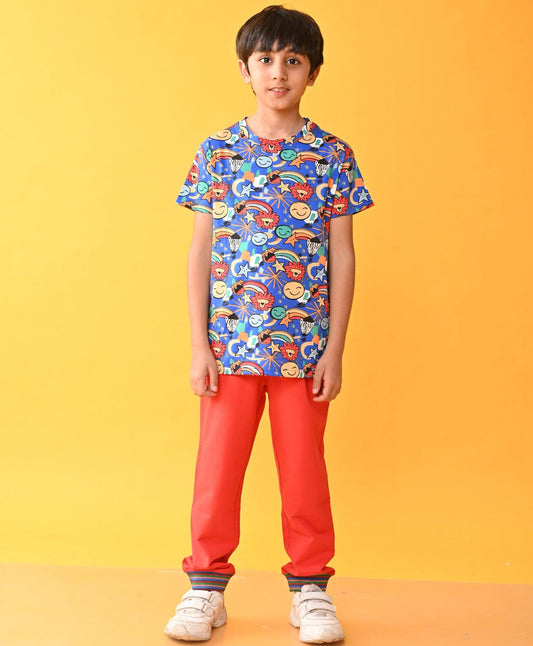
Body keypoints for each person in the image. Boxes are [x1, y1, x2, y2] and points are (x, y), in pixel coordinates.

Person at [164, 5, 374, 643]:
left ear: (313, 72)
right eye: (265, 60)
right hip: (229, 345)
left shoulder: (332, 156)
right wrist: (199, 344)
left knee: (304, 473)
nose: (278, 72)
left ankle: (310, 590)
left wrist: (334, 350)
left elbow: (343, 255)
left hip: (304, 349)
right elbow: (200, 252)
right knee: (217, 470)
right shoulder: (217, 152)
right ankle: (205, 588)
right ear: (244, 69)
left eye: (293, 61)